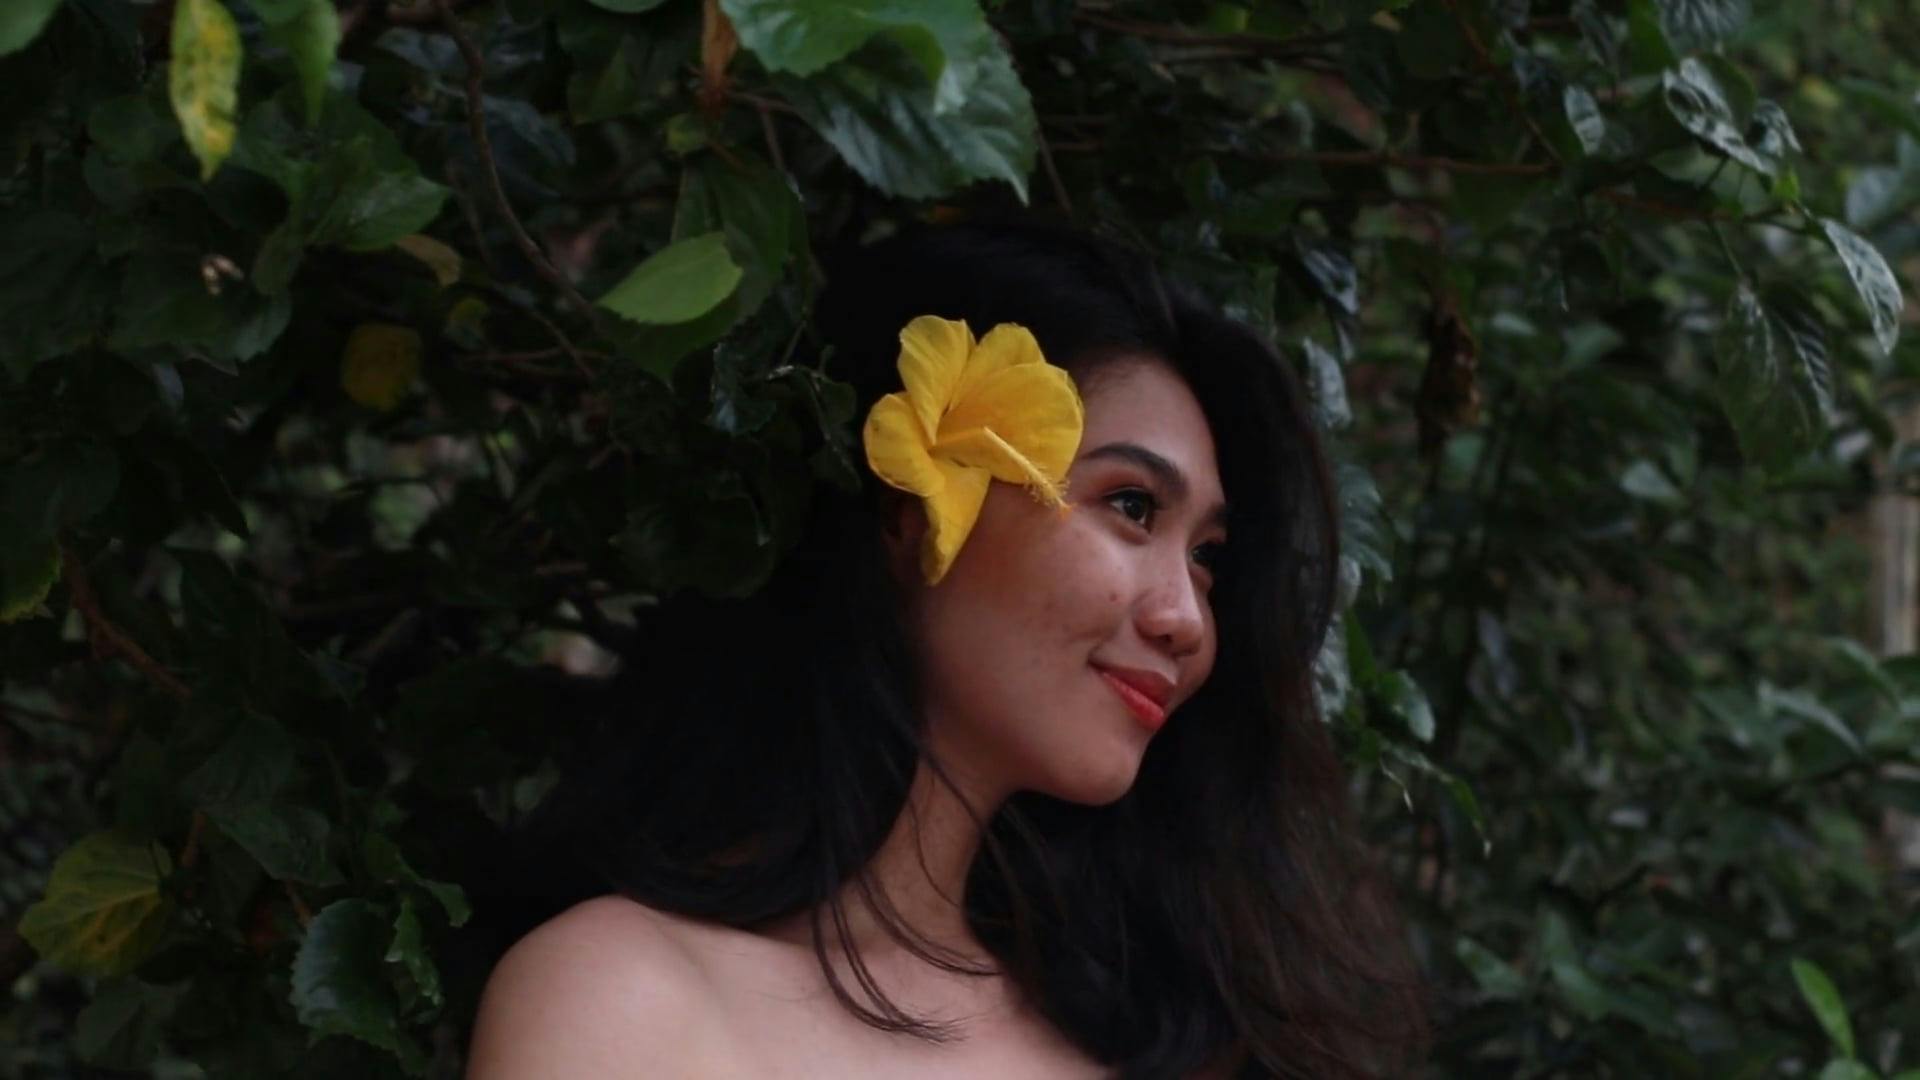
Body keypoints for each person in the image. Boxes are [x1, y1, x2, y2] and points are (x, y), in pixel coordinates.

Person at [465, 221, 1426, 1078]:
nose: (1188, 620)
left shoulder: (1188, 1040)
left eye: (1208, 557)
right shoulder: (619, 997)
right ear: (907, 506)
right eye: (1132, 506)